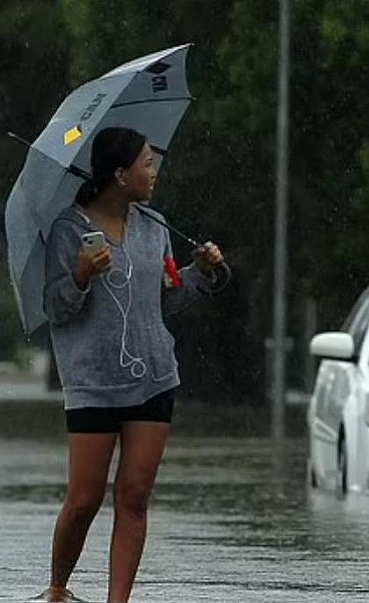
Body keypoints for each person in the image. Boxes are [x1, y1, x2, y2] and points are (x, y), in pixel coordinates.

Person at [39, 127, 228, 603]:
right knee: (84, 500)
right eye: (146, 163)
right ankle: (58, 588)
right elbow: (56, 308)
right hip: (93, 382)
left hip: (154, 377)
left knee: (135, 496)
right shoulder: (69, 229)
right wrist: (81, 273)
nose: (153, 172)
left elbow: (166, 297)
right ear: (120, 175)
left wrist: (203, 273)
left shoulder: (155, 227)